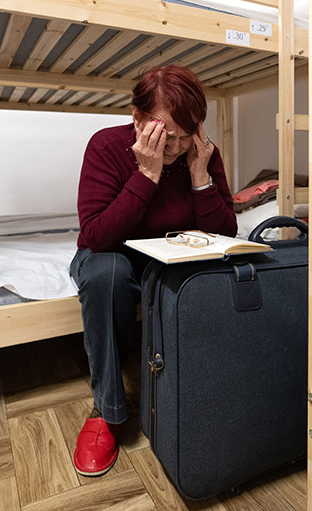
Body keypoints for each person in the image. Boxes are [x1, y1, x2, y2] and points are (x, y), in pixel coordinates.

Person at [69, 64, 237, 476]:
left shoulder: (199, 153)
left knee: (219, 271)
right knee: (105, 275)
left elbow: (225, 232)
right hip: (113, 254)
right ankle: (106, 411)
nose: (176, 147)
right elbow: (96, 235)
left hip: (170, 257)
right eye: (166, 134)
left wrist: (200, 177)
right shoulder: (107, 147)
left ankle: (203, 389)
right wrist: (147, 173)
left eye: (186, 134)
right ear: (138, 118)